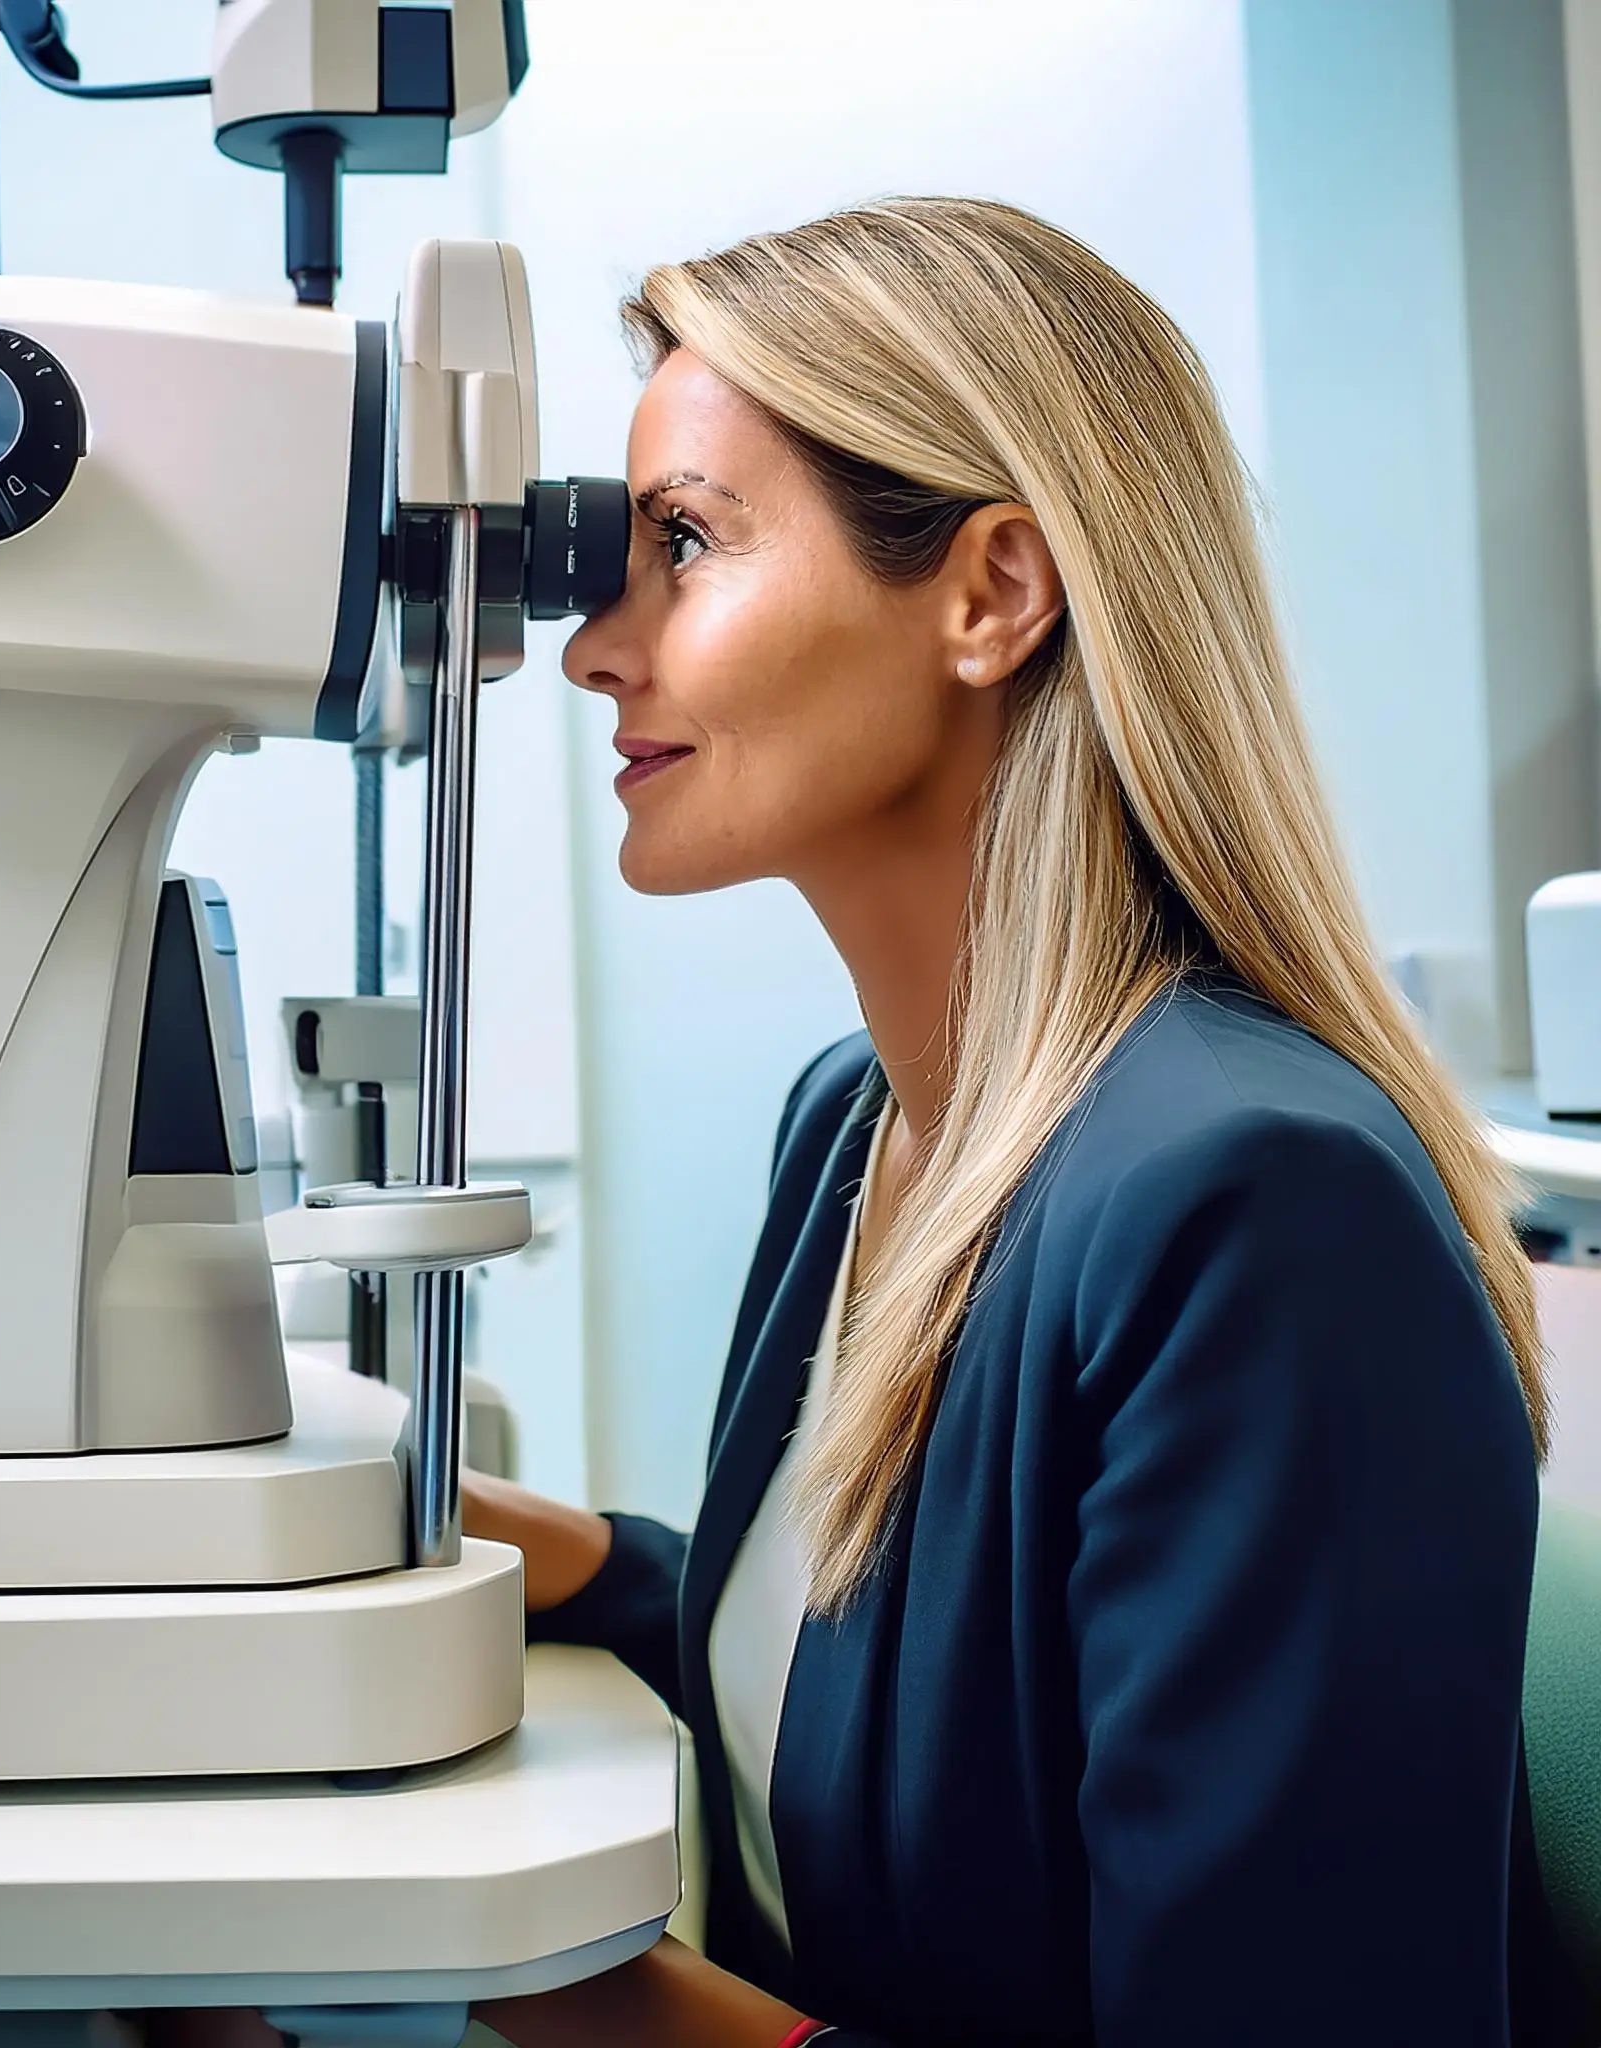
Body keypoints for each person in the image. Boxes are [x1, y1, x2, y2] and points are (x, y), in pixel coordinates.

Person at [461, 197, 1585, 2047]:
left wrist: (517, 1970)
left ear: (991, 594)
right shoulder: (858, 1130)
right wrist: (530, 1552)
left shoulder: (1251, 1209)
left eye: (684, 545)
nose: (595, 647)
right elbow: (913, 1696)